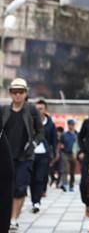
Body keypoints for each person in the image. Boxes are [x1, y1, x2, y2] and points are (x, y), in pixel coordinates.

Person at [0, 78, 44, 231]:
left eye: (20, 92)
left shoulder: (31, 110)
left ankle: (13, 219)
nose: (17, 95)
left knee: (20, 187)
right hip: (5, 157)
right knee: (5, 189)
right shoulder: (4, 110)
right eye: (14, 92)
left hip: (24, 156)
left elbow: (40, 132)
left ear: (26, 93)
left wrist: (33, 144)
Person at [30, 99, 56, 213]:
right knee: (32, 179)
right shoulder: (30, 122)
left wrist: (53, 153)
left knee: (40, 178)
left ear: (45, 110)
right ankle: (34, 200)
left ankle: (37, 202)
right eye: (37, 109)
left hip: (44, 154)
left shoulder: (50, 124)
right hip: (30, 154)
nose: (38, 111)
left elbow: (54, 140)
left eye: (41, 109)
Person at [62, 118, 79, 191]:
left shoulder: (77, 134)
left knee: (72, 171)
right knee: (65, 169)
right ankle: (64, 184)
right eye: (70, 124)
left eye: (72, 124)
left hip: (74, 154)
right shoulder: (64, 135)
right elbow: (61, 143)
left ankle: (71, 185)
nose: (71, 126)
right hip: (65, 153)